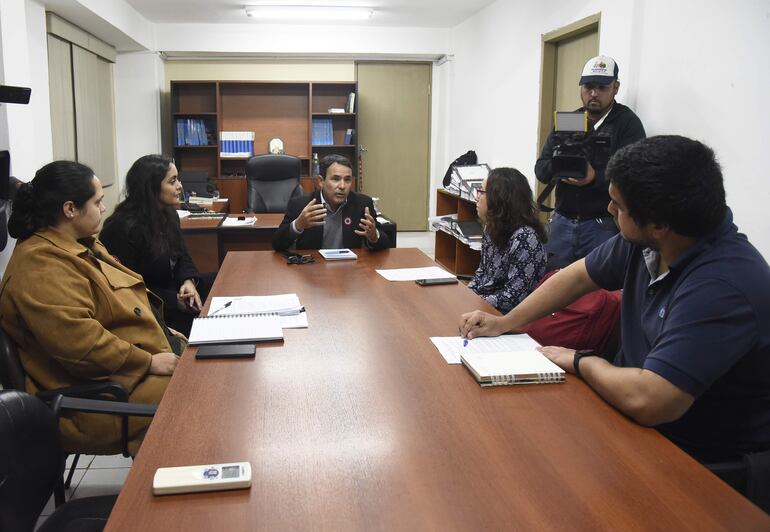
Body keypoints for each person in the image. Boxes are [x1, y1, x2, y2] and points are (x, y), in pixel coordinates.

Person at [461, 136, 770, 464]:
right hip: (634, 421)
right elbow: (578, 276)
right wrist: (505, 322)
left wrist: (582, 361)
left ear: (659, 224)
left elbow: (649, 400)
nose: (609, 210)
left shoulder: (722, 285)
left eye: (618, 206)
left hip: (702, 463)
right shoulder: (649, 239)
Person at [0, 160, 181, 456]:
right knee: (200, 395)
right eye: (97, 202)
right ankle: (164, 490)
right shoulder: (40, 267)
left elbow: (122, 302)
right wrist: (148, 362)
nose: (103, 208)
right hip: (94, 398)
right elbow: (82, 345)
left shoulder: (77, 244)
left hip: (122, 375)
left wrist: (161, 329)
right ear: (70, 209)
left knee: (213, 374)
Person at [535, 55, 646, 263]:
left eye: (602, 87)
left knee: (599, 291)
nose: (594, 94)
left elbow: (634, 178)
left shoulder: (627, 123)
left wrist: (594, 178)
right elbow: (541, 168)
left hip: (602, 225)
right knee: (552, 282)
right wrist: (559, 168)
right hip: (562, 221)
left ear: (616, 87)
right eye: (588, 87)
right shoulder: (570, 120)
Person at [100, 155, 212, 336]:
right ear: (151, 187)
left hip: (178, 291)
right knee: (206, 324)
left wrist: (188, 281)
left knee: (219, 285)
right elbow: (126, 287)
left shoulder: (169, 214)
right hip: (151, 306)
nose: (180, 186)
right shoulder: (121, 227)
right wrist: (172, 301)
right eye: (172, 181)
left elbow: (182, 255)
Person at [467, 168, 547, 313]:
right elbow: (482, 274)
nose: (476, 197)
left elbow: (514, 297)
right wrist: (464, 294)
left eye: (482, 192)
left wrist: (476, 301)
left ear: (500, 198)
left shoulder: (525, 238)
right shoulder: (491, 227)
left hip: (510, 316)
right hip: (486, 305)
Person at [272, 154, 390, 251]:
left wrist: (374, 236)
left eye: (347, 180)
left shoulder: (362, 204)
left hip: (350, 270)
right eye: (336, 179)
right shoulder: (301, 205)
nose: (342, 186)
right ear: (320, 181)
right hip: (312, 270)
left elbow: (385, 243)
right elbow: (277, 244)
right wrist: (298, 225)